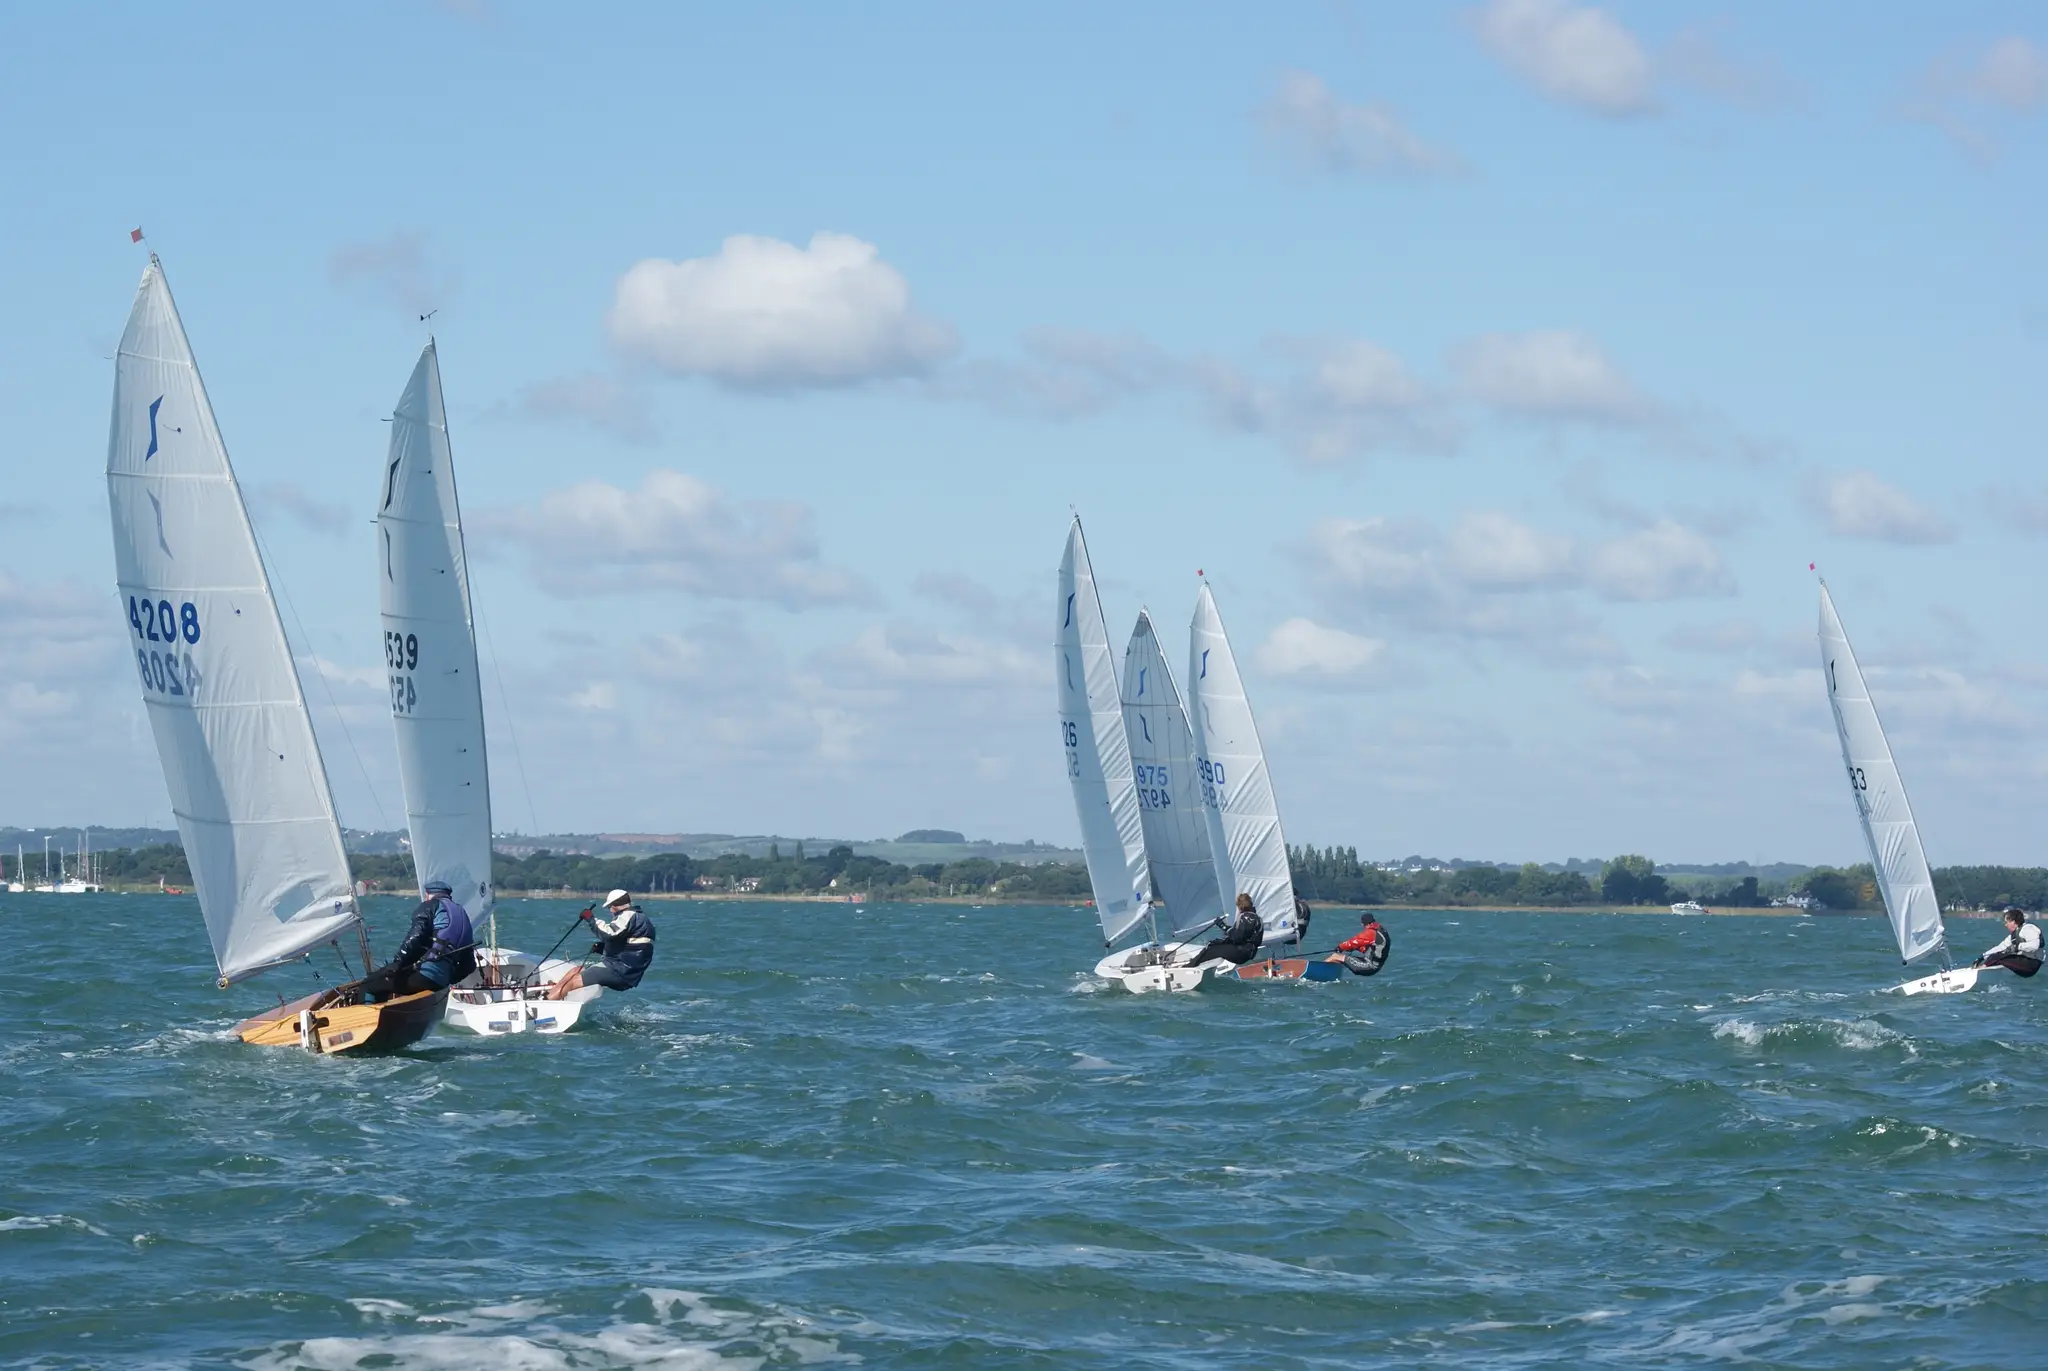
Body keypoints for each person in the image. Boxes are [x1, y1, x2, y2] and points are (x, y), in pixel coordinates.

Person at [361, 880, 475, 1001]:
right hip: (441, 982)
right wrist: (448, 979)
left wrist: (397, 962)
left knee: (368, 985)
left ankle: (367, 1018)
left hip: (425, 975)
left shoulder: (430, 905)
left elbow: (416, 936)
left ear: (427, 895)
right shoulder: (462, 915)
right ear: (449, 896)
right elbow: (469, 965)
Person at [548, 888, 657, 999]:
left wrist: (590, 918)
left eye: (609, 908)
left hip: (619, 971)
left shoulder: (628, 915)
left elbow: (608, 933)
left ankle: (546, 1002)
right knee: (575, 970)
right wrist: (603, 948)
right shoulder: (641, 919)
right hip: (625, 971)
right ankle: (548, 995)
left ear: (613, 907)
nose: (610, 911)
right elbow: (630, 945)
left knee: (572, 982)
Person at [1179, 893, 1264, 968]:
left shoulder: (1246, 917)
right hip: (1249, 953)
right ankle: (1196, 963)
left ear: (1239, 905)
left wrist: (1223, 927)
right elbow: (1241, 935)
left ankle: (1190, 966)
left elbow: (1237, 937)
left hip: (1241, 953)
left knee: (1210, 947)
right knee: (1215, 944)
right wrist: (1223, 939)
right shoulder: (1257, 918)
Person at [1973, 907, 2043, 978]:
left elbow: (2034, 946)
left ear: (2013, 922)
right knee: (1996, 955)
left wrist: (2017, 947)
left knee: (1997, 956)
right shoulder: (2014, 935)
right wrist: (1982, 957)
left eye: (2007, 922)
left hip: (2032, 965)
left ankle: (1980, 969)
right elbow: (2000, 947)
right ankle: (1982, 968)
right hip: (2025, 962)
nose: (2005, 925)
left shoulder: (2028, 928)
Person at [1325, 912, 1390, 977]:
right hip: (1375, 966)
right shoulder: (1380, 930)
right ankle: (1330, 976)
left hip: (1370, 966)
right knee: (1339, 959)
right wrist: (1355, 948)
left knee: (1335, 956)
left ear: (1362, 923)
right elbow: (1369, 949)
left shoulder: (1371, 933)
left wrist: (1340, 947)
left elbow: (1353, 942)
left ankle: (1320, 973)